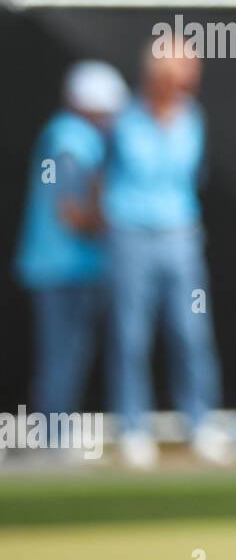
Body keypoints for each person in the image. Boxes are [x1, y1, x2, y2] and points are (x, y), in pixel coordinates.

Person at [101, 46, 229, 469]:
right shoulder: (122, 119)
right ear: (155, 74)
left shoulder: (194, 118)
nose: (187, 81)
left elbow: (194, 177)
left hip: (181, 239)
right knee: (130, 335)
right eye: (179, 72)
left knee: (191, 333)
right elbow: (98, 179)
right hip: (130, 238)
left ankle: (200, 423)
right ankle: (134, 429)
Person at [14, 61, 129, 419]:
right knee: (62, 355)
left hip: (65, 266)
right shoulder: (70, 140)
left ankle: (54, 432)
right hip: (62, 267)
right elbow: (72, 211)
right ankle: (52, 436)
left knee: (66, 355)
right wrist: (120, 223)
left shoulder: (68, 136)